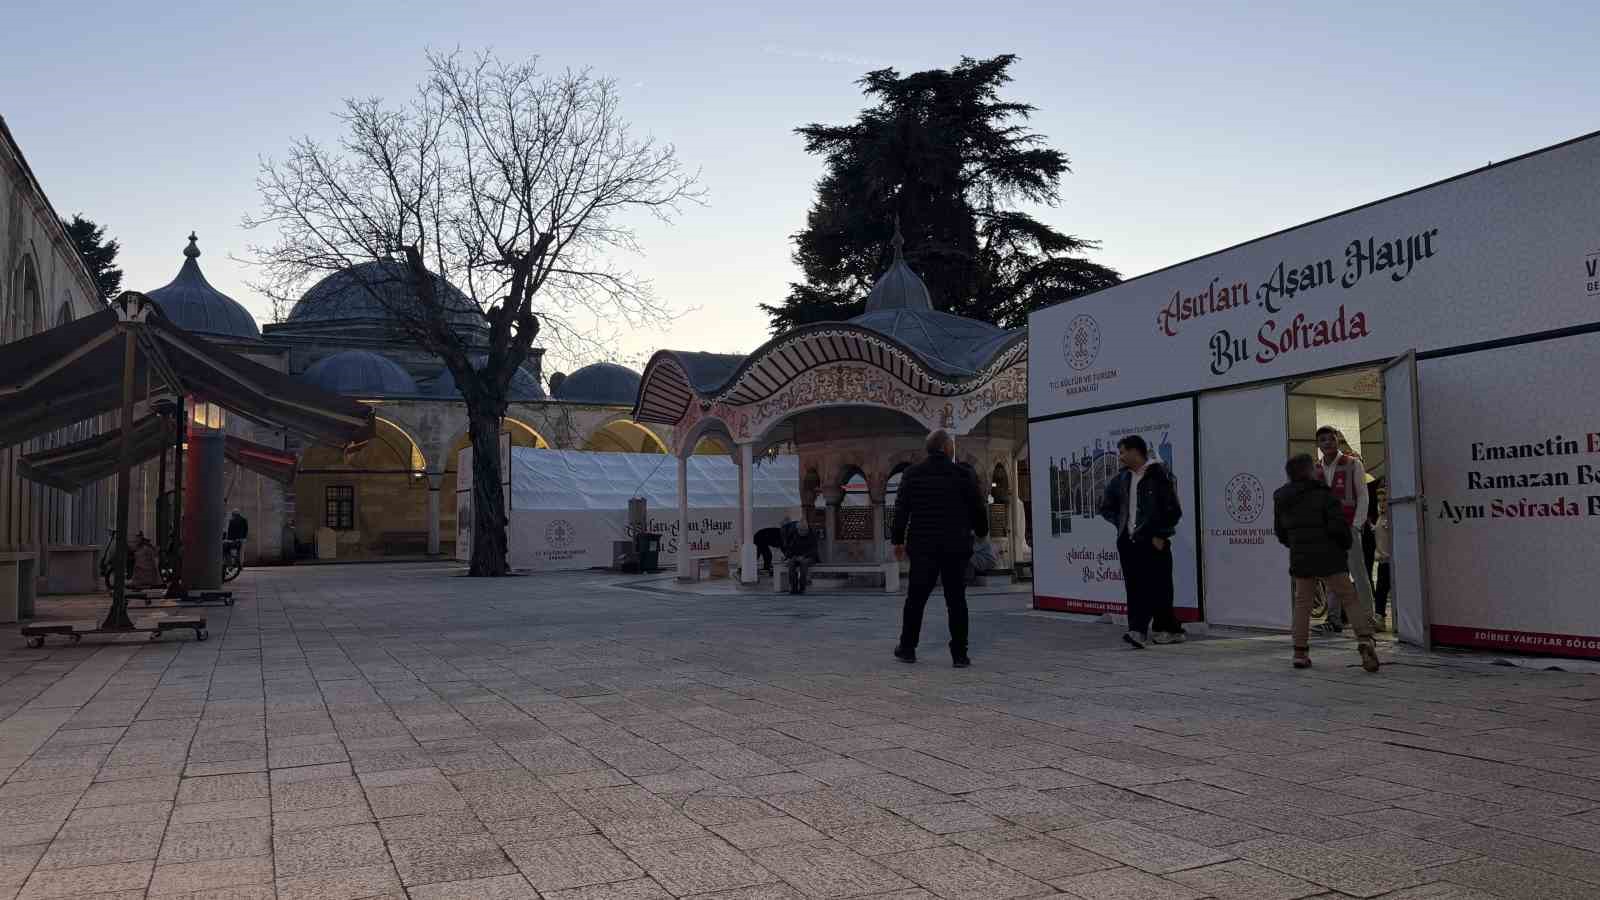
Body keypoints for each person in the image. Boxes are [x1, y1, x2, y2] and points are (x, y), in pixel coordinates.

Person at [1274, 454, 1381, 672]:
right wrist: (1343, 545)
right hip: (1330, 555)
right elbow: (1339, 527)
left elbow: (1280, 531)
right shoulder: (1324, 494)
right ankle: (1365, 639)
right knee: (1349, 598)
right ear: (1309, 471)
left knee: (1302, 603)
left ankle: (1300, 652)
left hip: (1301, 555)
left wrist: (1294, 545)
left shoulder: (1281, 497)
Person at [892, 430, 988, 667]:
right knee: (956, 601)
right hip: (955, 547)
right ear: (947, 448)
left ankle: (907, 648)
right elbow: (978, 507)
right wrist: (982, 530)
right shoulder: (963, 474)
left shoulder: (912, 474)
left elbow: (901, 510)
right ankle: (959, 654)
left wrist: (897, 541)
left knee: (916, 599)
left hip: (923, 546)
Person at [1099, 435, 1185, 649]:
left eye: (1122, 452)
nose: (1120, 457)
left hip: (1153, 541)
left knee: (1160, 588)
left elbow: (1173, 510)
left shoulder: (1159, 475)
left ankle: (1167, 628)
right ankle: (1137, 631)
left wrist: (1160, 534)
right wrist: (1121, 523)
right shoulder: (1121, 479)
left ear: (1135, 451)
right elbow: (1105, 506)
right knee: (1135, 588)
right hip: (1129, 543)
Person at [1312, 427, 1376, 634]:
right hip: (1328, 532)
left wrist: (1357, 525)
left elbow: (1363, 496)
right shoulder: (1316, 470)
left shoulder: (1353, 464)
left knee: (1359, 574)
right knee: (1332, 577)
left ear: (1337, 441)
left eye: (1331, 439)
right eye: (1323, 440)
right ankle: (1334, 620)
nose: (1328, 443)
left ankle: (1368, 617)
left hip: (1349, 528)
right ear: (1318, 445)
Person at [1373, 484, 1393, 630]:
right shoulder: (1380, 517)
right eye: (1379, 500)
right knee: (1381, 591)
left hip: (1390, 561)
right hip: (1383, 561)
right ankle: (1379, 618)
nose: (1381, 503)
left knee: (1383, 590)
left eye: (1384, 500)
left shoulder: (1390, 518)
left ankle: (1380, 618)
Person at [782, 518, 819, 594]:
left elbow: (814, 550)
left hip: (809, 557)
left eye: (804, 531)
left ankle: (802, 587)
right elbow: (790, 548)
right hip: (796, 556)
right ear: (798, 529)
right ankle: (794, 587)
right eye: (801, 530)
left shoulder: (812, 535)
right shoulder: (794, 534)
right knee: (791, 564)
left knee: (804, 563)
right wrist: (789, 557)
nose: (802, 532)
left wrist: (804, 556)